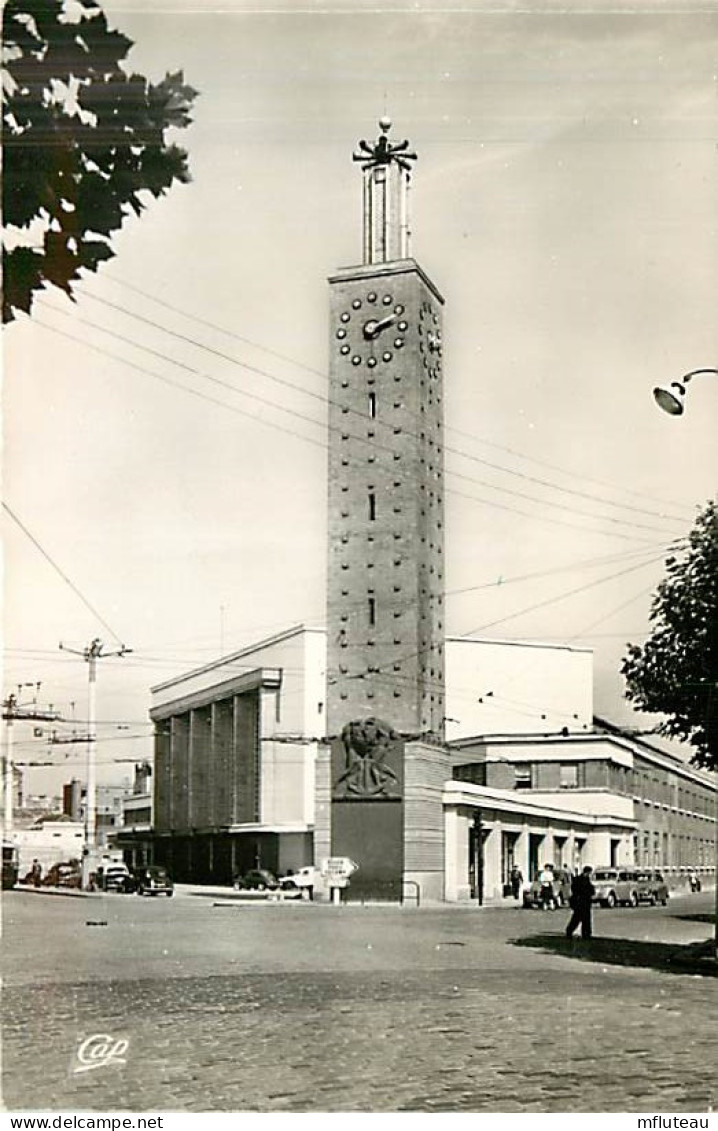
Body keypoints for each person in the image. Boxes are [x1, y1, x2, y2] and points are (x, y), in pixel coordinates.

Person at [566, 866, 595, 939]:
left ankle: (586, 934)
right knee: (577, 918)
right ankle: (570, 931)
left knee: (585, 919)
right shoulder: (579, 880)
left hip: (584, 902)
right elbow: (576, 890)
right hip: (580, 902)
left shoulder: (585, 879)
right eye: (589, 873)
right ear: (587, 872)